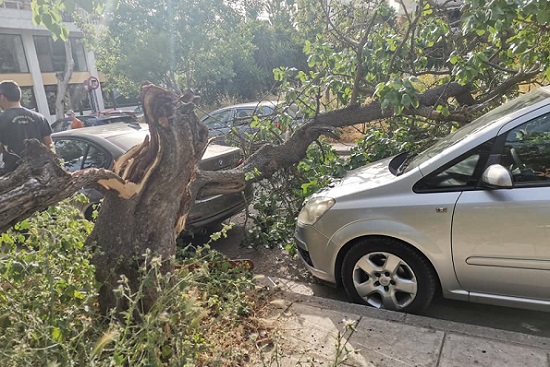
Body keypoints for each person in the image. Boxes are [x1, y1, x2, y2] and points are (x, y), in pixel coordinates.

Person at [0, 80, 52, 173]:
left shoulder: (1, 119)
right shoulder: (40, 118)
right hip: (42, 174)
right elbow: (49, 146)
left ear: (2, 97)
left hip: (13, 176)